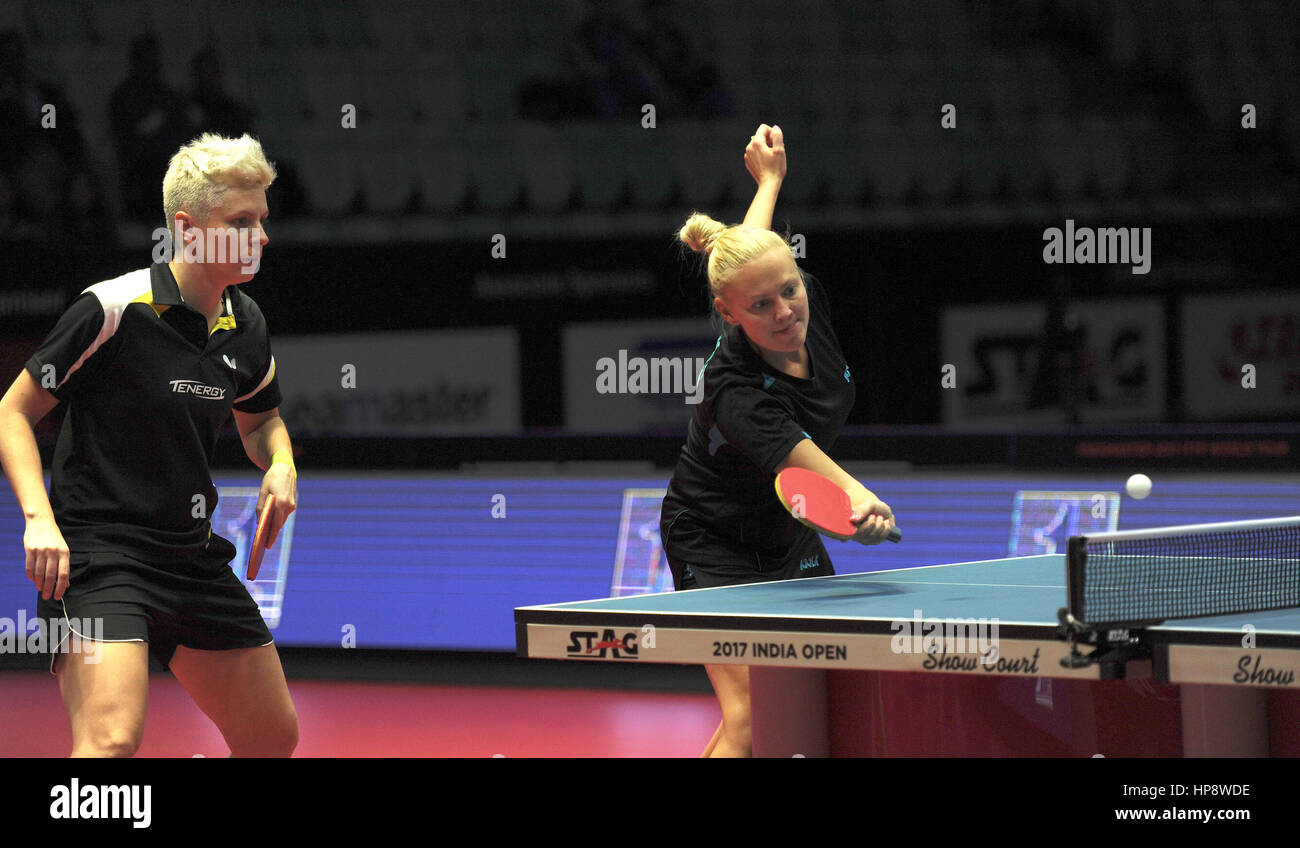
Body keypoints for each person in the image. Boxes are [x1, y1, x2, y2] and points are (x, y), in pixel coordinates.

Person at [0, 132, 299, 757]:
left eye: (262, 220)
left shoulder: (245, 324)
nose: (262, 237)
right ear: (189, 229)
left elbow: (260, 421)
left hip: (189, 557)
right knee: (110, 740)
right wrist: (38, 520)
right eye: (241, 222)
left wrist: (281, 464)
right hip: (100, 560)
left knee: (272, 738)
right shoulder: (111, 310)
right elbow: (14, 412)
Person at [659, 124, 895, 757]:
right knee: (752, 715)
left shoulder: (797, 296)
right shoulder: (736, 390)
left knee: (823, 691)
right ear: (729, 313)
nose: (786, 312)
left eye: (790, 289)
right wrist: (858, 495)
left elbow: (753, 256)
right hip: (713, 539)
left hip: (786, 531)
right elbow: (799, 451)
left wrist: (768, 183)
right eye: (761, 306)